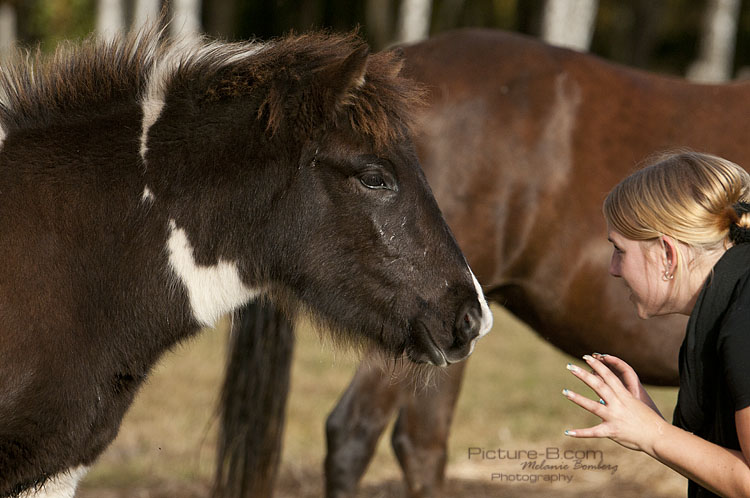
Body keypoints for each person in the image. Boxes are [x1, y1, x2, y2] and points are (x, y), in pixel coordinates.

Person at [563, 150, 750, 497]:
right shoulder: (734, 301)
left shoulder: (743, 324)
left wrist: (654, 434)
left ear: (667, 254)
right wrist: (650, 426)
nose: (613, 269)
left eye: (620, 249)